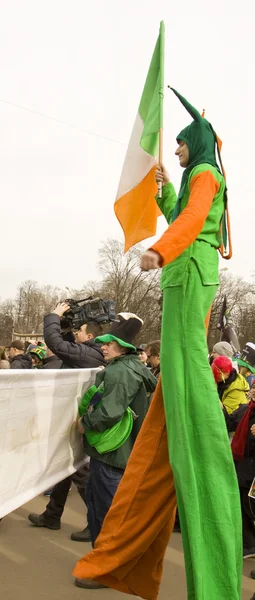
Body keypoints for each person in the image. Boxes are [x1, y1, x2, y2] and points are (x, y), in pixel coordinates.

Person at [73, 88, 242, 599]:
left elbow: (192, 225)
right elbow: (184, 213)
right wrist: (168, 195)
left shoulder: (209, 174)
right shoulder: (197, 178)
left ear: (194, 142)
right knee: (166, 421)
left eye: (180, 147)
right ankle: (118, 555)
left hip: (188, 273)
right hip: (184, 274)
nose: (175, 151)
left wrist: (162, 251)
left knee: (188, 390)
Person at [74, 314, 157, 588]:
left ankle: (106, 569)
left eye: (109, 342)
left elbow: (109, 412)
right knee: (100, 505)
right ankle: (104, 558)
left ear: (122, 347)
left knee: (107, 513)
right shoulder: (132, 366)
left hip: (113, 454)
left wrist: (85, 423)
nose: (103, 346)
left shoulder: (120, 372)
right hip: (120, 452)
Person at [28, 303, 107, 542]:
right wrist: (63, 325)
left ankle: (99, 526)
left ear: (90, 336)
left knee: (80, 471)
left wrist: (53, 316)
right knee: (64, 467)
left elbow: (58, 345)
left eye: (79, 331)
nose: (76, 334)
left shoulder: (90, 353)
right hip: (71, 415)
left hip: (75, 417)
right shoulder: (91, 350)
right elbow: (66, 341)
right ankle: (52, 515)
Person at [223, 381, 255, 559]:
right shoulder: (245, 409)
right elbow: (228, 423)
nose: (253, 391)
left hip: (251, 470)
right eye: (254, 387)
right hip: (242, 467)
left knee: (250, 507)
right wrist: (218, 406)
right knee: (242, 506)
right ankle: (249, 544)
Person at [43, 302, 107, 369]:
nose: (76, 333)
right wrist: (66, 332)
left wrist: (54, 315)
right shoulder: (95, 353)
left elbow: (56, 344)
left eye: (80, 330)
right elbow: (69, 350)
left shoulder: (84, 353)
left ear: (89, 337)